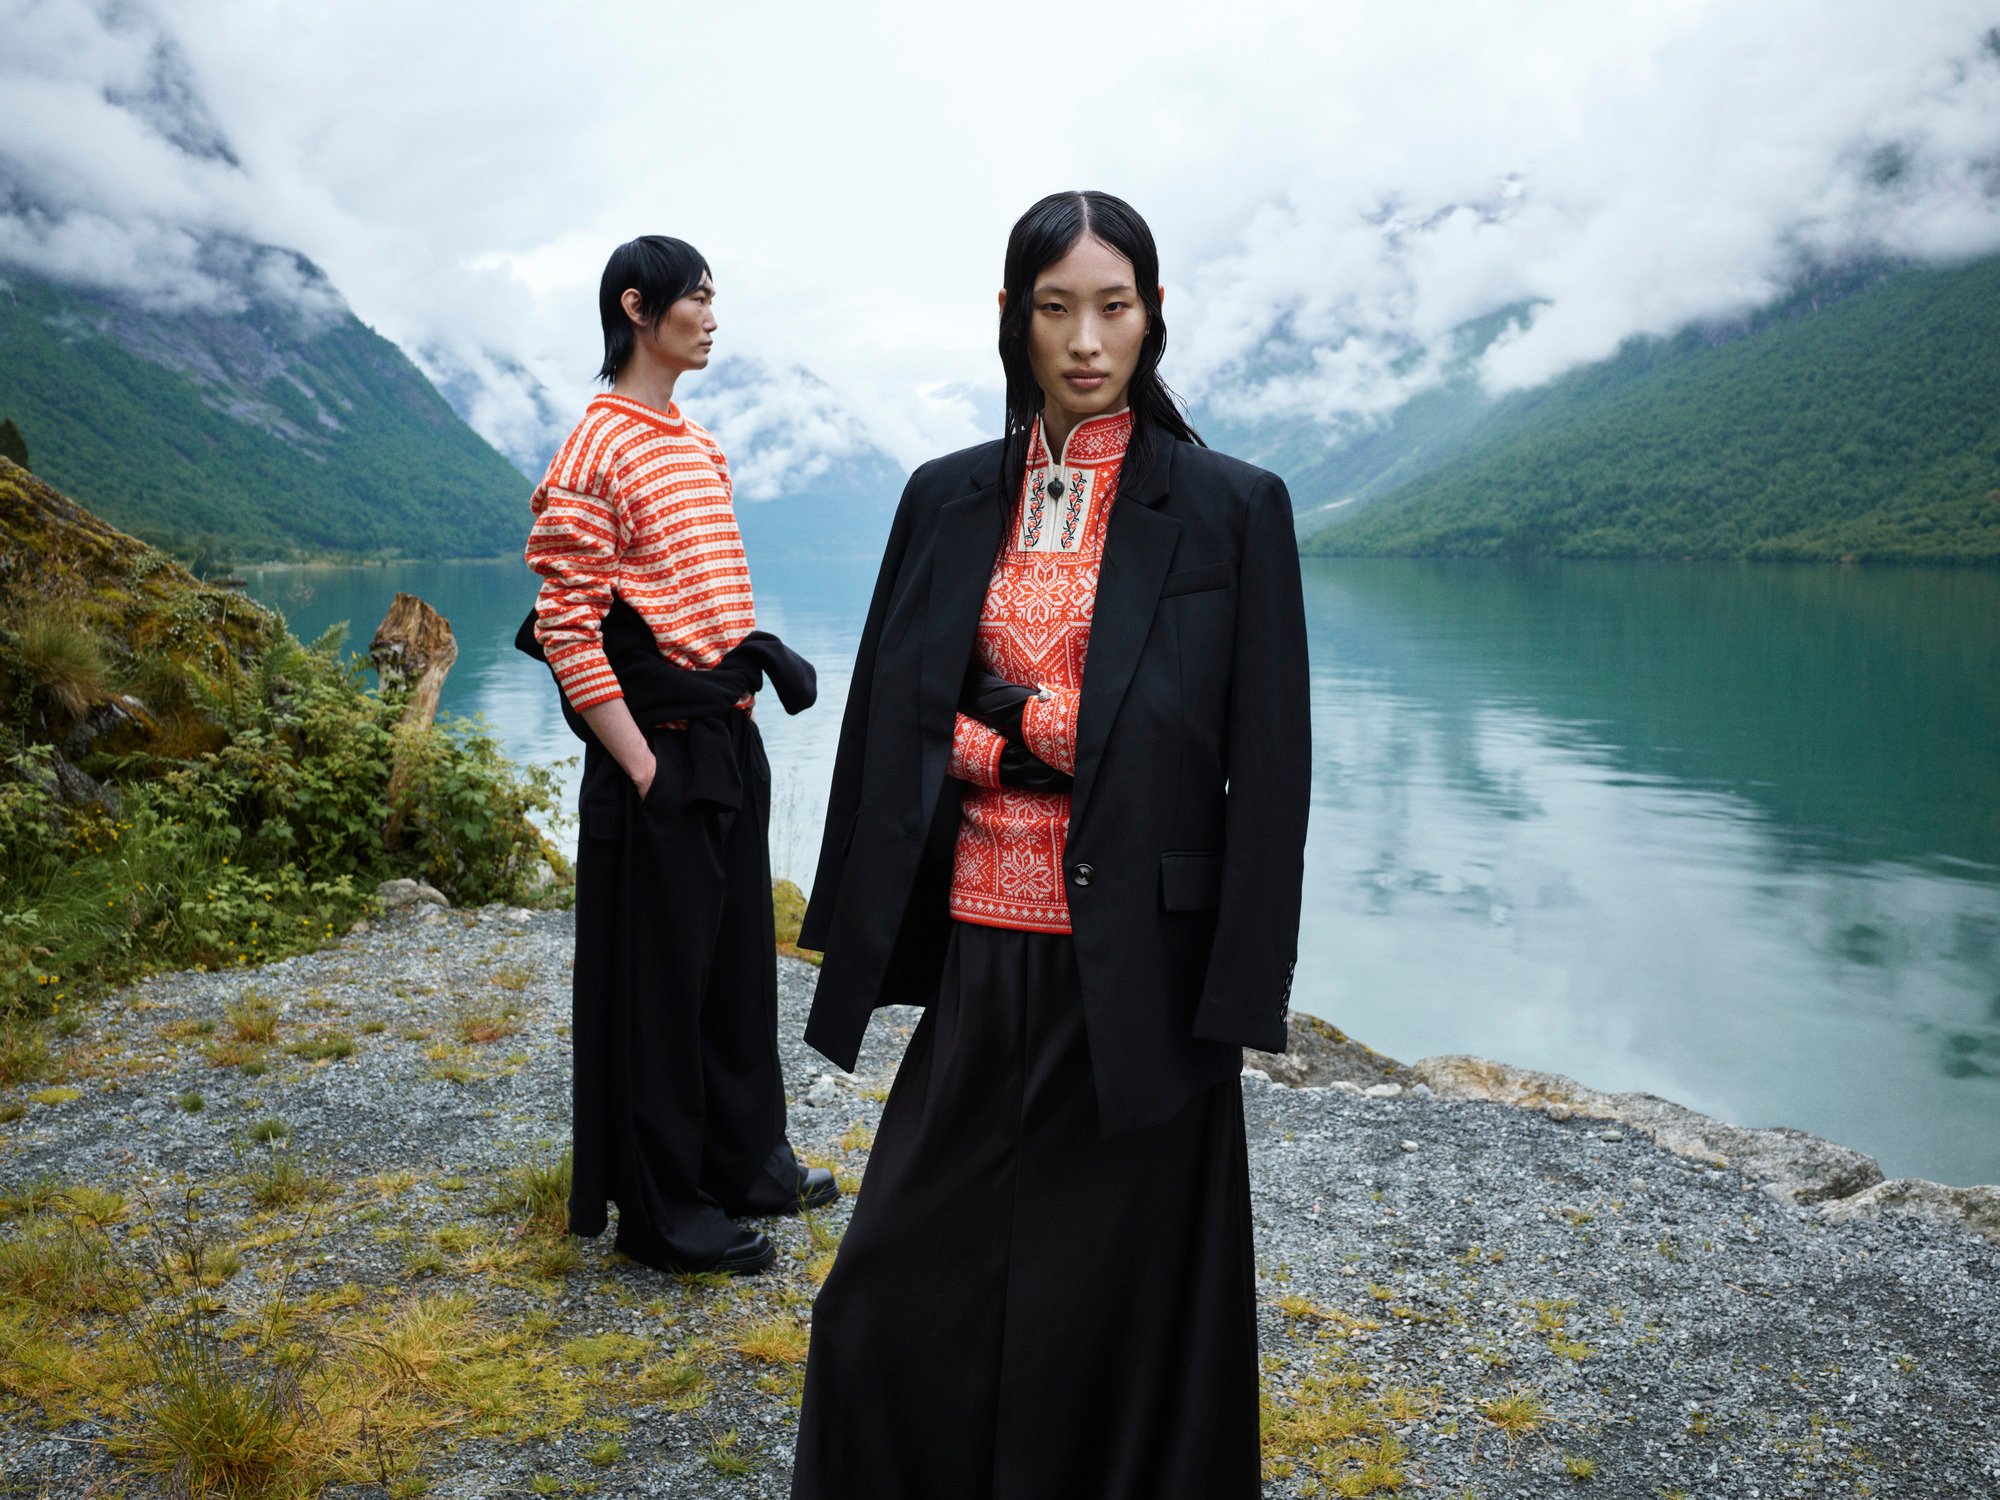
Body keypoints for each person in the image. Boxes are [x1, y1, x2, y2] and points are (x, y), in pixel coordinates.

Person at [789, 191, 1311, 1498]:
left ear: (1154, 316)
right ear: (1013, 320)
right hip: (979, 951)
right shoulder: (947, 496)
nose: (1087, 338)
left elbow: (1261, 761)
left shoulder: (1232, 508)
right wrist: (1021, 743)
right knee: (885, 1293)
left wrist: (1239, 992)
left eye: (1114, 306)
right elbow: (894, 710)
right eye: (1056, 306)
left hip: (1145, 972)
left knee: (1122, 1310)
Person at [520, 235, 836, 1278]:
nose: (711, 315)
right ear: (636, 307)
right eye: (695, 298)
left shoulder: (696, 445)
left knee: (735, 968)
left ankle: (745, 1163)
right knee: (658, 992)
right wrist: (637, 762)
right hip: (656, 748)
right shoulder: (593, 449)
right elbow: (565, 625)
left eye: (712, 297)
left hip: (724, 731)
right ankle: (662, 1215)